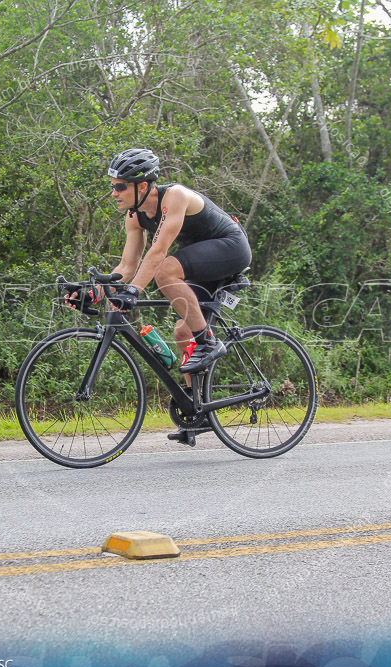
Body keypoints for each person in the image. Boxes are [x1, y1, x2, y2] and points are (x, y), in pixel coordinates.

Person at [66, 147, 252, 445]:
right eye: (111, 186)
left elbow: (159, 252)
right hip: (202, 263)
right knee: (183, 330)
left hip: (230, 248)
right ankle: (198, 411)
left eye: (119, 186)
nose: (113, 193)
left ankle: (209, 342)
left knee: (165, 271)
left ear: (142, 185)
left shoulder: (174, 196)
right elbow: (127, 266)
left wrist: (134, 292)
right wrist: (94, 293)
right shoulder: (134, 216)